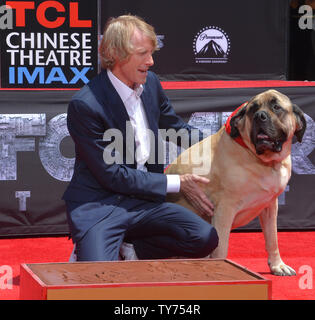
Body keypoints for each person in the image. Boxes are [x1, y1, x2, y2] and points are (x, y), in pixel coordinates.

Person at [63, 15, 218, 261]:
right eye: (142, 53)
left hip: (145, 203)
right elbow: (112, 175)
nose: (151, 61)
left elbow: (175, 127)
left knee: (204, 237)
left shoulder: (151, 83)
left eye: (152, 52)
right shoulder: (86, 105)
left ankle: (132, 250)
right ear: (115, 53)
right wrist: (178, 182)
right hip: (102, 205)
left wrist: (220, 144)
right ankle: (94, 250)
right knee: (98, 275)